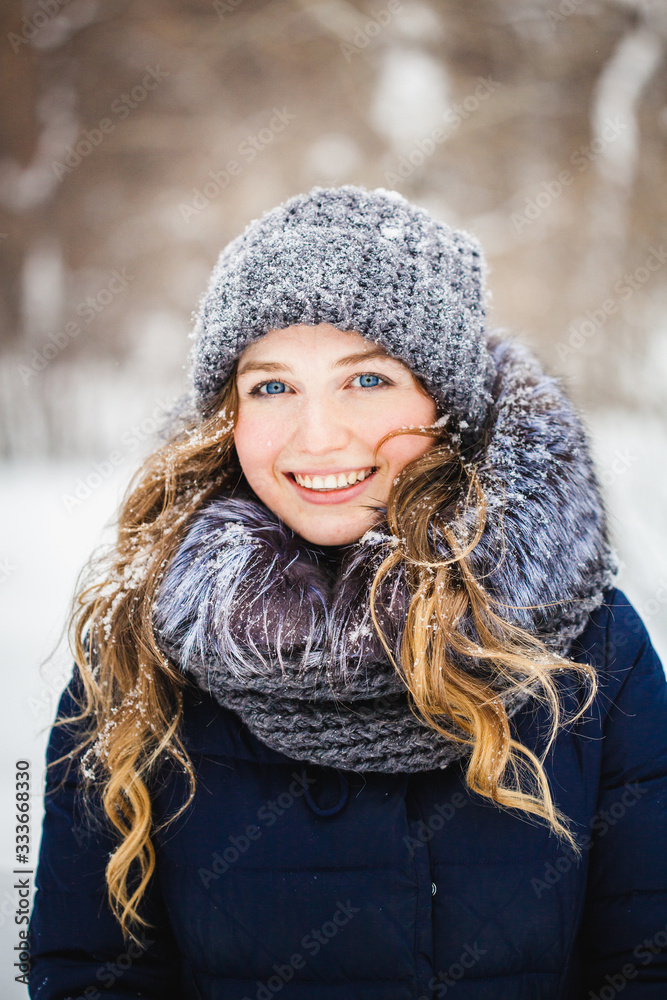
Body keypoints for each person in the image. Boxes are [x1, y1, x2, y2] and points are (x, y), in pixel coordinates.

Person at [28, 184, 667, 1000]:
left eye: (366, 381)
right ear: (226, 413)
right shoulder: (140, 649)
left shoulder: (589, 650)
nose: (316, 435)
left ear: (448, 405)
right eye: (270, 387)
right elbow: (89, 974)